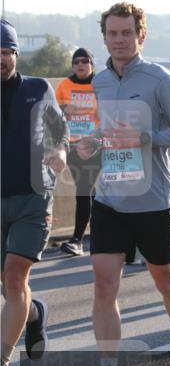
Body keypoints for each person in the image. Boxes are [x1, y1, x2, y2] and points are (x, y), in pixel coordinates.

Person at [75, 3, 170, 366]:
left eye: (126, 33)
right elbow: (106, 130)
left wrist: (147, 139)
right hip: (111, 197)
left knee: (165, 278)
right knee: (104, 283)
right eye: (112, 34)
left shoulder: (159, 79)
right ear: (105, 38)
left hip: (154, 200)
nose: (119, 40)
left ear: (140, 35)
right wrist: (92, 141)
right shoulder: (99, 82)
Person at [1, 19, 66, 366]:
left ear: (15, 54)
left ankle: (1, 363)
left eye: (6, 52)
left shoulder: (38, 88)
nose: (1, 60)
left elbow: (59, 130)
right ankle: (35, 313)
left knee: (14, 277)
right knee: (9, 287)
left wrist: (58, 150)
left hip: (32, 197)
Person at [54, 47, 101, 256]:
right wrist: (64, 110)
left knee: (84, 188)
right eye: (76, 62)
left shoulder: (100, 84)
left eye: (84, 61)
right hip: (72, 144)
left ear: (91, 63)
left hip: (94, 144)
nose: (80, 65)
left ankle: (77, 240)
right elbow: (53, 114)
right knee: (89, 191)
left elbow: (111, 110)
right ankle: (99, 233)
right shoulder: (65, 86)